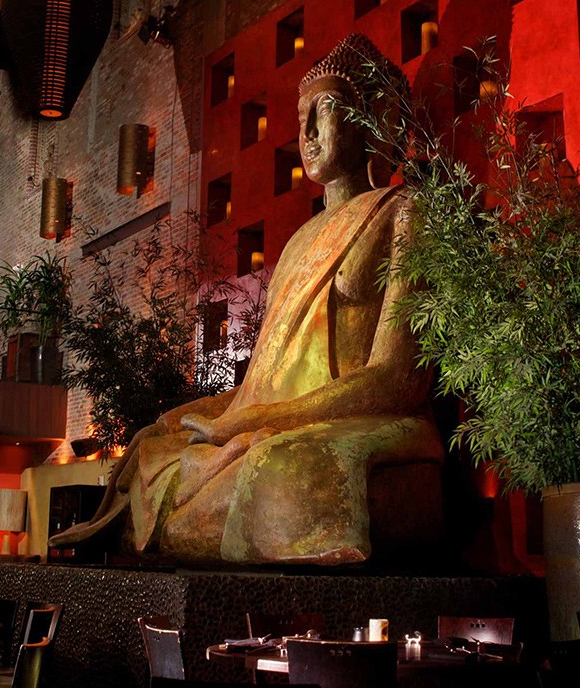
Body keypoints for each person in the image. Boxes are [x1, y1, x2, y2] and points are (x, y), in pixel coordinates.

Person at [48, 35, 444, 565]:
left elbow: (399, 378)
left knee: (284, 470)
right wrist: (195, 415)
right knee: (155, 449)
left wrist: (264, 421)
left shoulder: (405, 212)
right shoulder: (300, 240)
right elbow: (260, 381)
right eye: (300, 116)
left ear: (374, 119)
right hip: (279, 417)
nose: (305, 135)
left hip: (360, 418)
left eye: (324, 112)